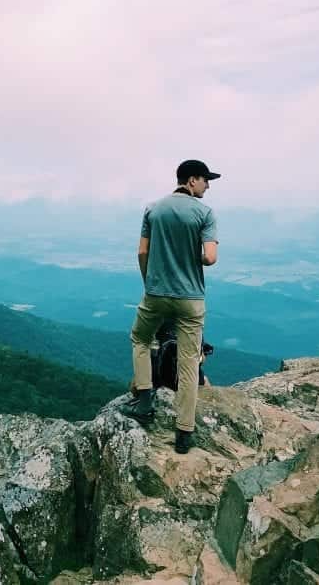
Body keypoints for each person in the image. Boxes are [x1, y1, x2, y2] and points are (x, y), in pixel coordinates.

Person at [120, 159, 220, 454]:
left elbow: (142, 252)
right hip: (191, 298)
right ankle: (184, 433)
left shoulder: (153, 209)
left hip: (156, 293)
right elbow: (210, 258)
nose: (208, 185)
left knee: (140, 338)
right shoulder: (205, 213)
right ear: (191, 180)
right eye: (205, 180)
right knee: (189, 360)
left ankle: (145, 400)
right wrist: (192, 257)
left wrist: (149, 282)